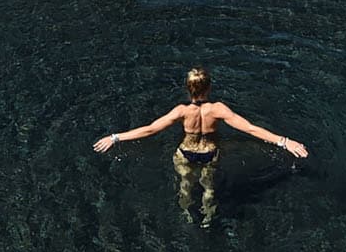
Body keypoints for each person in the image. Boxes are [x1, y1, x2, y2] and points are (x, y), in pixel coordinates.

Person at [93, 67, 308, 225]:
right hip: (210, 153)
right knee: (209, 189)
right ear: (209, 87)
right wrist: (284, 141)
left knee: (185, 186)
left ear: (188, 89)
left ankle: (187, 215)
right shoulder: (218, 109)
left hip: (186, 153)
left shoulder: (181, 111)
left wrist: (115, 137)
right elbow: (250, 129)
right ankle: (208, 219)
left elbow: (150, 129)